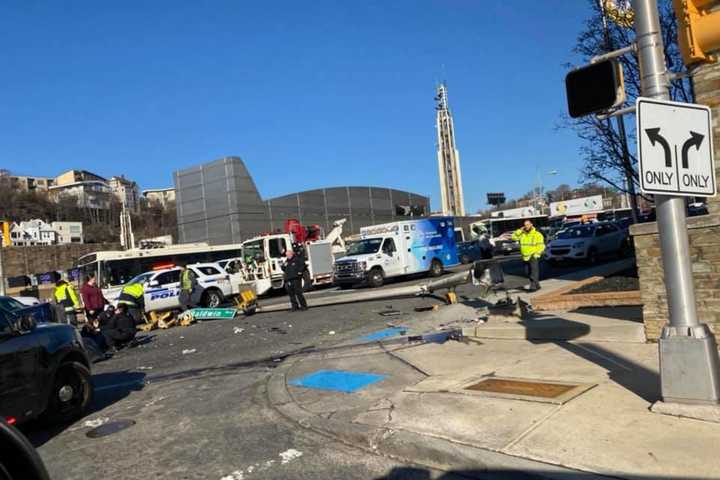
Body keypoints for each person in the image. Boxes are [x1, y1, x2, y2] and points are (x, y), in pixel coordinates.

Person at [512, 220, 545, 292]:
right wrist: (519, 230)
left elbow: (541, 245)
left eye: (527, 224)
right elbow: (513, 237)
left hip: (533, 255)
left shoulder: (537, 234)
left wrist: (537, 254)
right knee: (527, 272)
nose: (526, 226)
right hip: (525, 256)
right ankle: (537, 285)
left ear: (531, 224)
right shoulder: (522, 234)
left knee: (534, 272)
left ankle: (533, 286)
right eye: (525, 225)